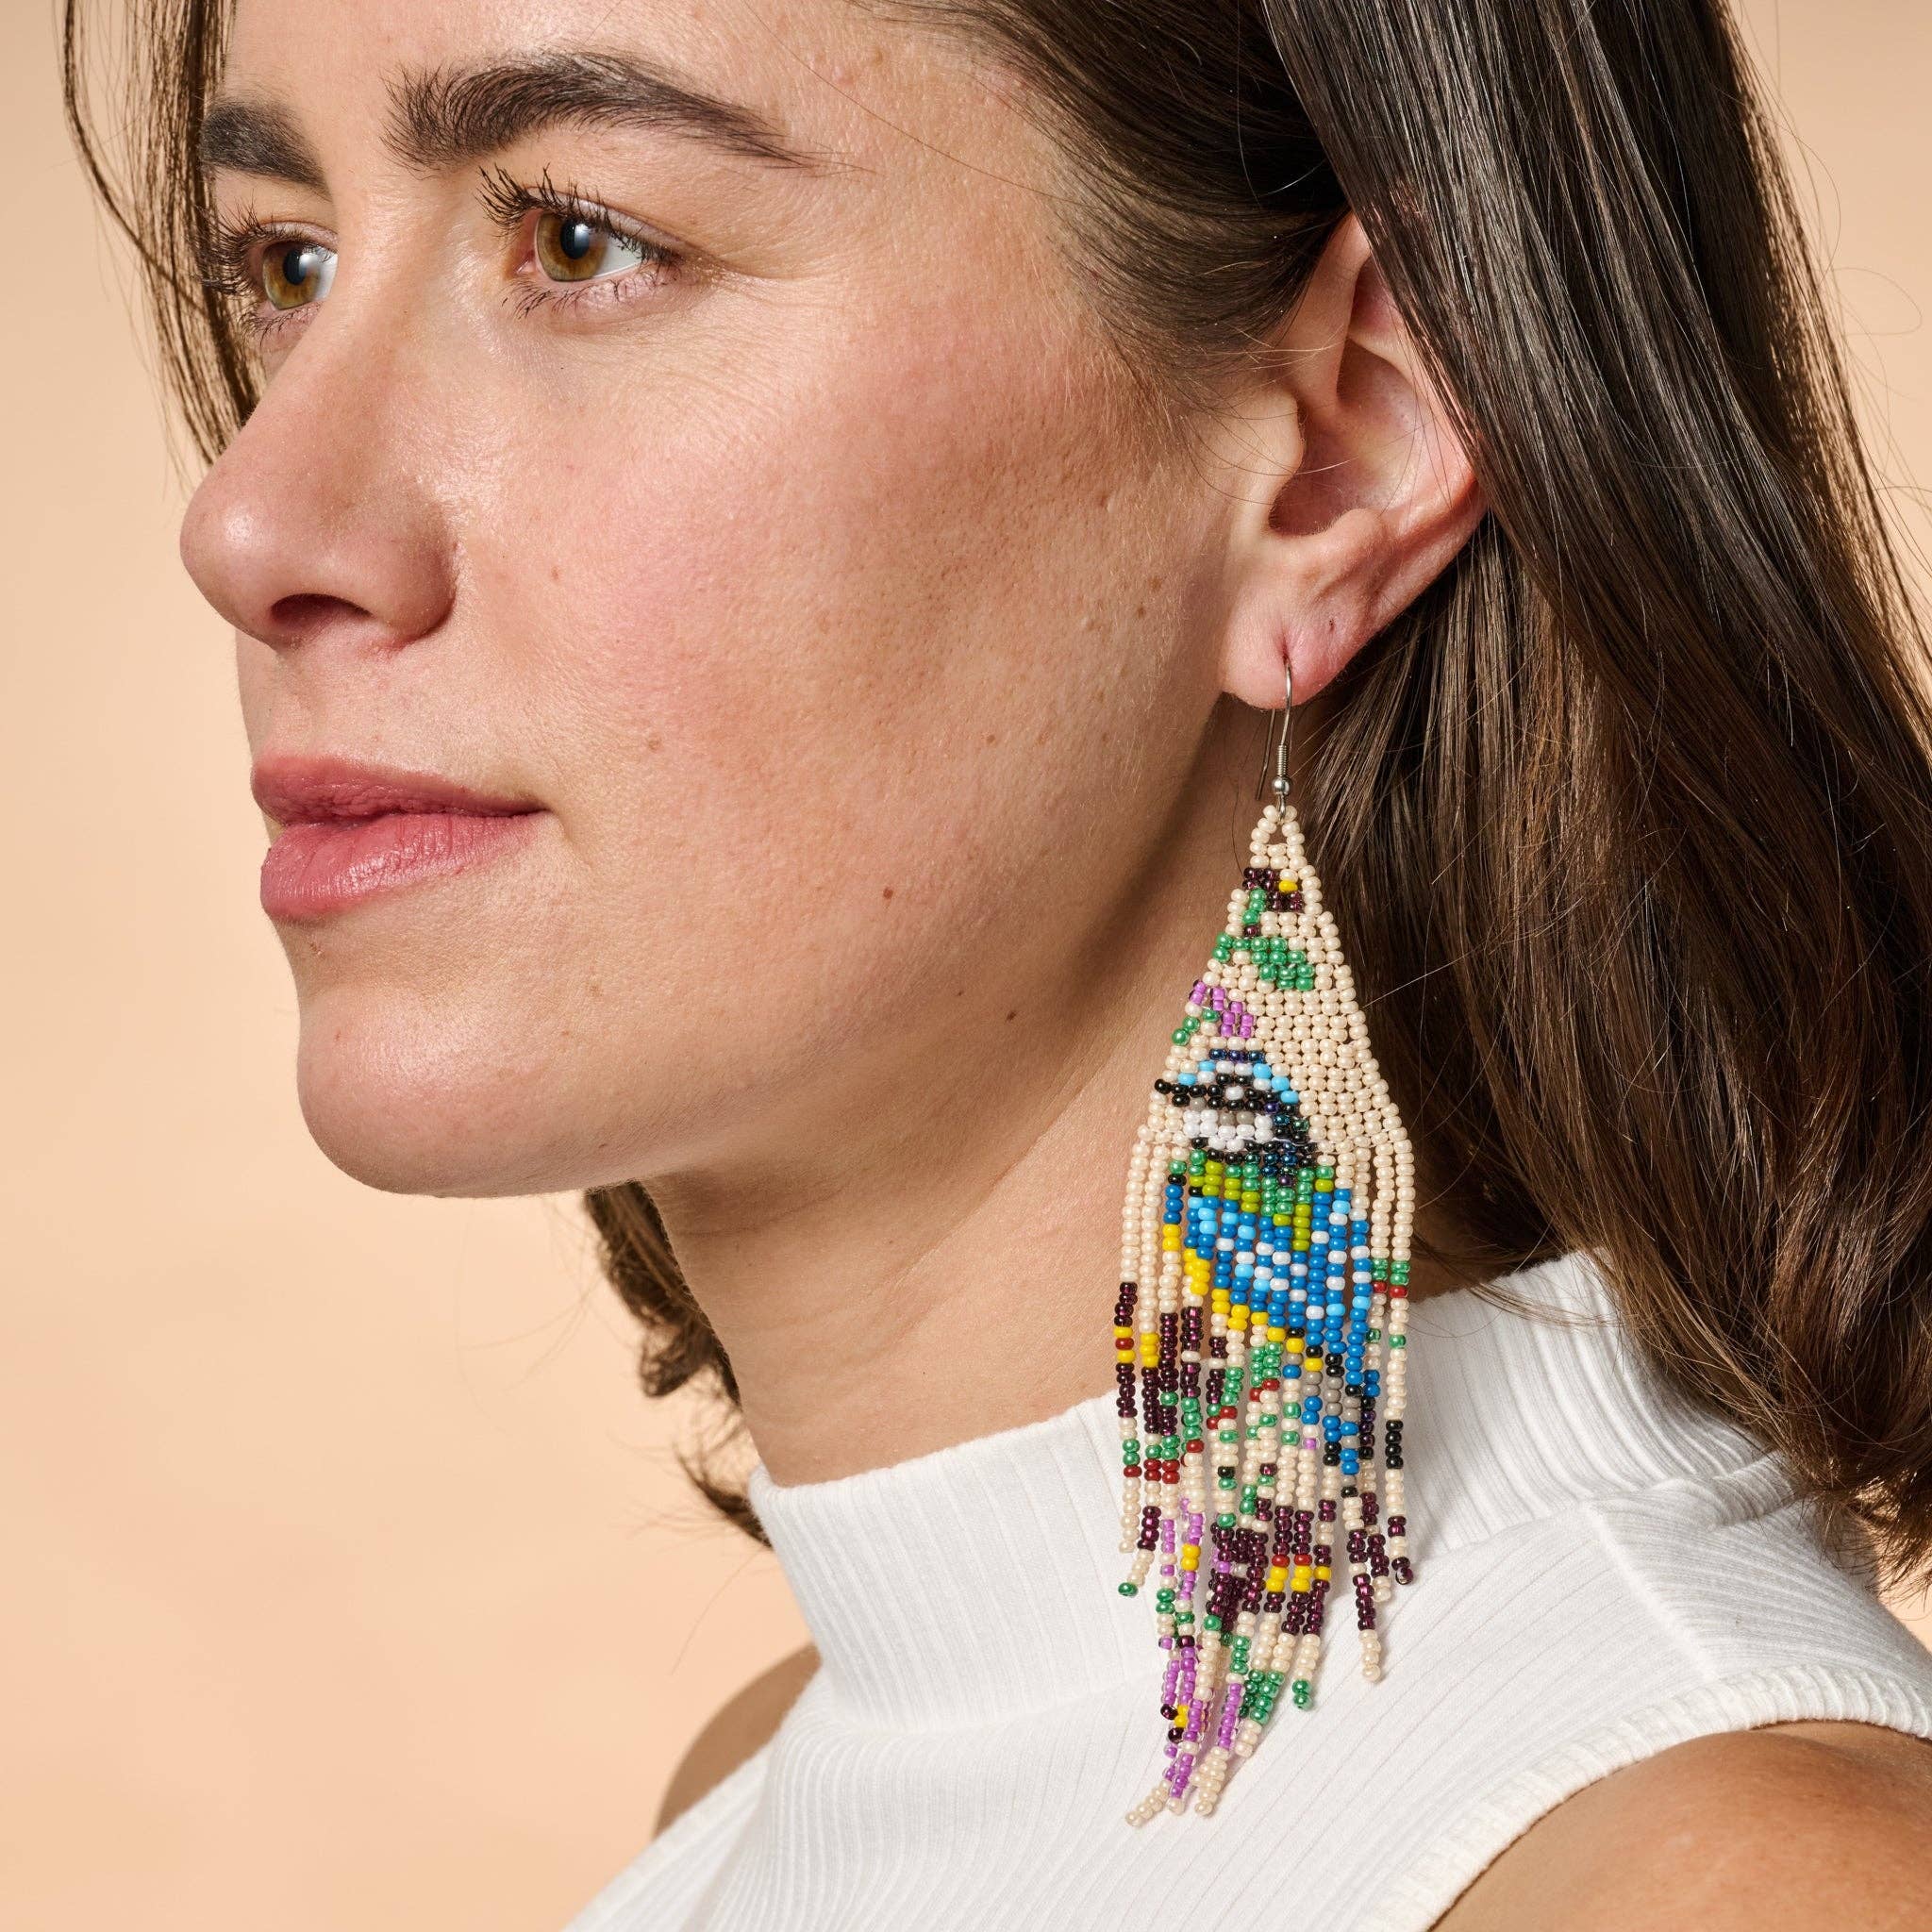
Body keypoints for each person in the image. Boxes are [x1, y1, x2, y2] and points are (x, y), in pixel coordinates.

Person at [64, 0, 1932, 1924]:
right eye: (285, 263)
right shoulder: (794, 1792)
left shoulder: (1733, 1888)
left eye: (583, 239)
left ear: (1338, 453)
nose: (250, 519)